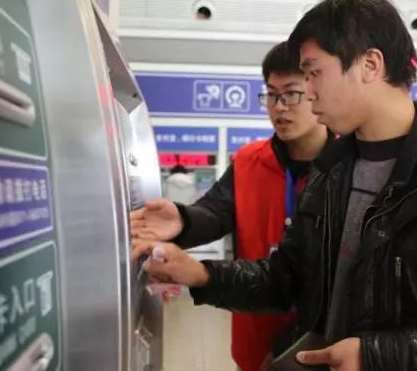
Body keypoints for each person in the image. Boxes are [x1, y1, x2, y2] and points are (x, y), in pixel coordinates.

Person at [135, 0, 417, 370]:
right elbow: (288, 280)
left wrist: (379, 356)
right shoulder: (331, 172)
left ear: (369, 64)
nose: (308, 91)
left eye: (314, 72)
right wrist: (199, 274)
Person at [132, 41, 331, 371]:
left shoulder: (347, 168)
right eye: (271, 95)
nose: (279, 107)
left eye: (292, 94)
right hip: (253, 338)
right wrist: (182, 220)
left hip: (322, 349)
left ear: (317, 90)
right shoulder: (250, 161)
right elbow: (216, 211)